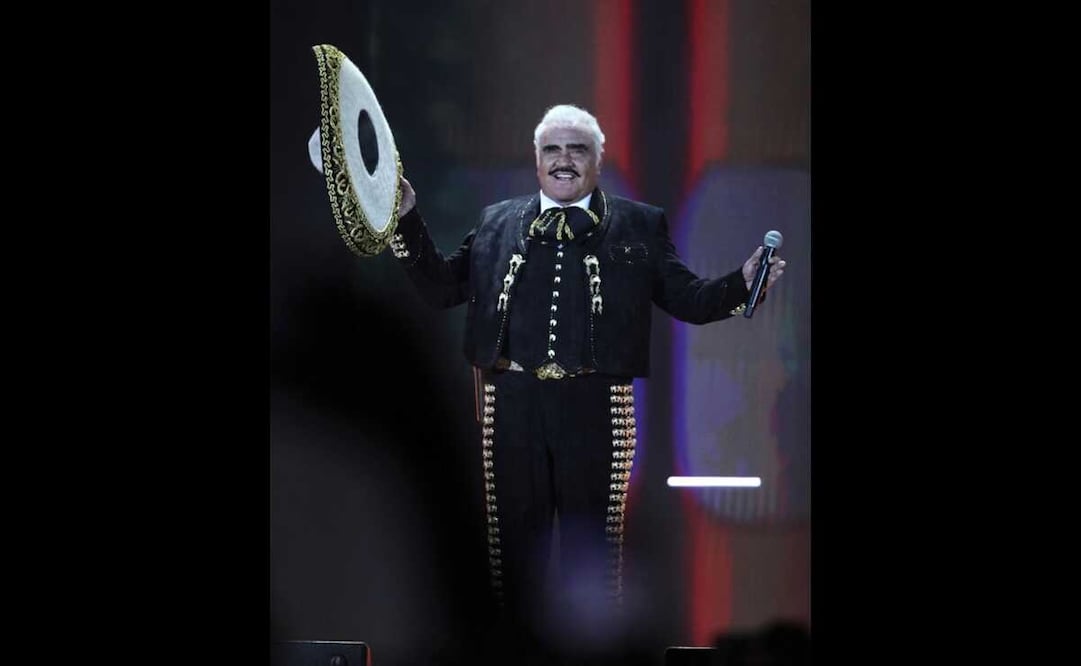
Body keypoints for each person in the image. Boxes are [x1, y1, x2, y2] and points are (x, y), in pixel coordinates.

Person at [387, 103, 785, 658]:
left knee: (593, 559)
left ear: (599, 160)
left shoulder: (639, 224)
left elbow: (689, 299)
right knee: (510, 558)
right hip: (514, 405)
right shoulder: (498, 220)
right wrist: (406, 218)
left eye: (578, 150)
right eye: (553, 149)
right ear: (536, 160)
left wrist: (742, 285)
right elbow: (440, 289)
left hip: (595, 408)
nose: (565, 161)